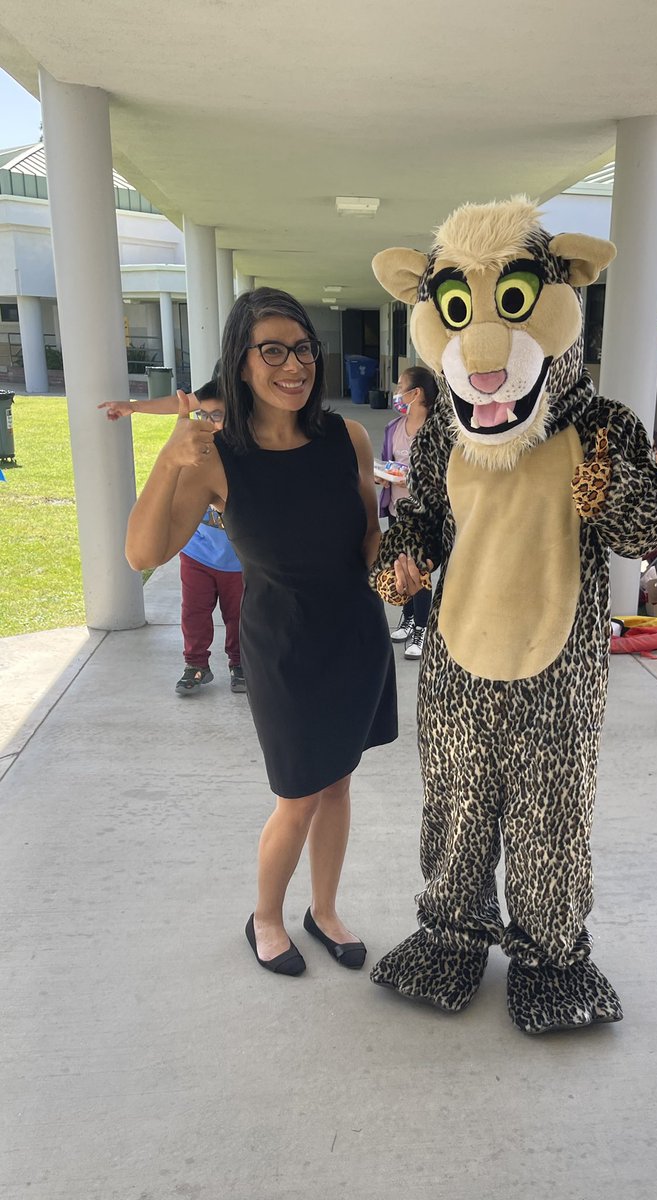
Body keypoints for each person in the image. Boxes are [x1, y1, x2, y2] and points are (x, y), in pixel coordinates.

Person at [125, 287, 397, 975]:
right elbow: (143, 554)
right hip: (282, 644)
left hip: (354, 636)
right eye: (272, 350)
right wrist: (168, 458)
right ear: (241, 362)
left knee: (338, 783)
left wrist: (407, 558)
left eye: (303, 348)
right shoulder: (218, 454)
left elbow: (367, 539)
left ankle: (324, 910)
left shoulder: (348, 439)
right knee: (298, 792)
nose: (293, 364)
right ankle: (267, 918)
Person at [101, 380, 246, 696]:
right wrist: (136, 408)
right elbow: (178, 402)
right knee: (193, 612)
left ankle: (240, 664)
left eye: (218, 416)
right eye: (204, 416)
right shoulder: (195, 458)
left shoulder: (245, 463)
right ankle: (196, 664)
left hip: (238, 562)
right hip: (197, 555)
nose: (208, 424)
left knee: (238, 617)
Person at [377, 365, 438, 660]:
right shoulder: (393, 428)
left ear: (417, 394)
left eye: (402, 386)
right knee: (400, 566)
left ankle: (422, 630)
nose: (397, 393)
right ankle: (408, 617)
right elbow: (386, 463)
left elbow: (441, 476)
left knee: (419, 571)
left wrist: (410, 479)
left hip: (423, 515)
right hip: (395, 509)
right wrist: (382, 476)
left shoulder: (436, 432)